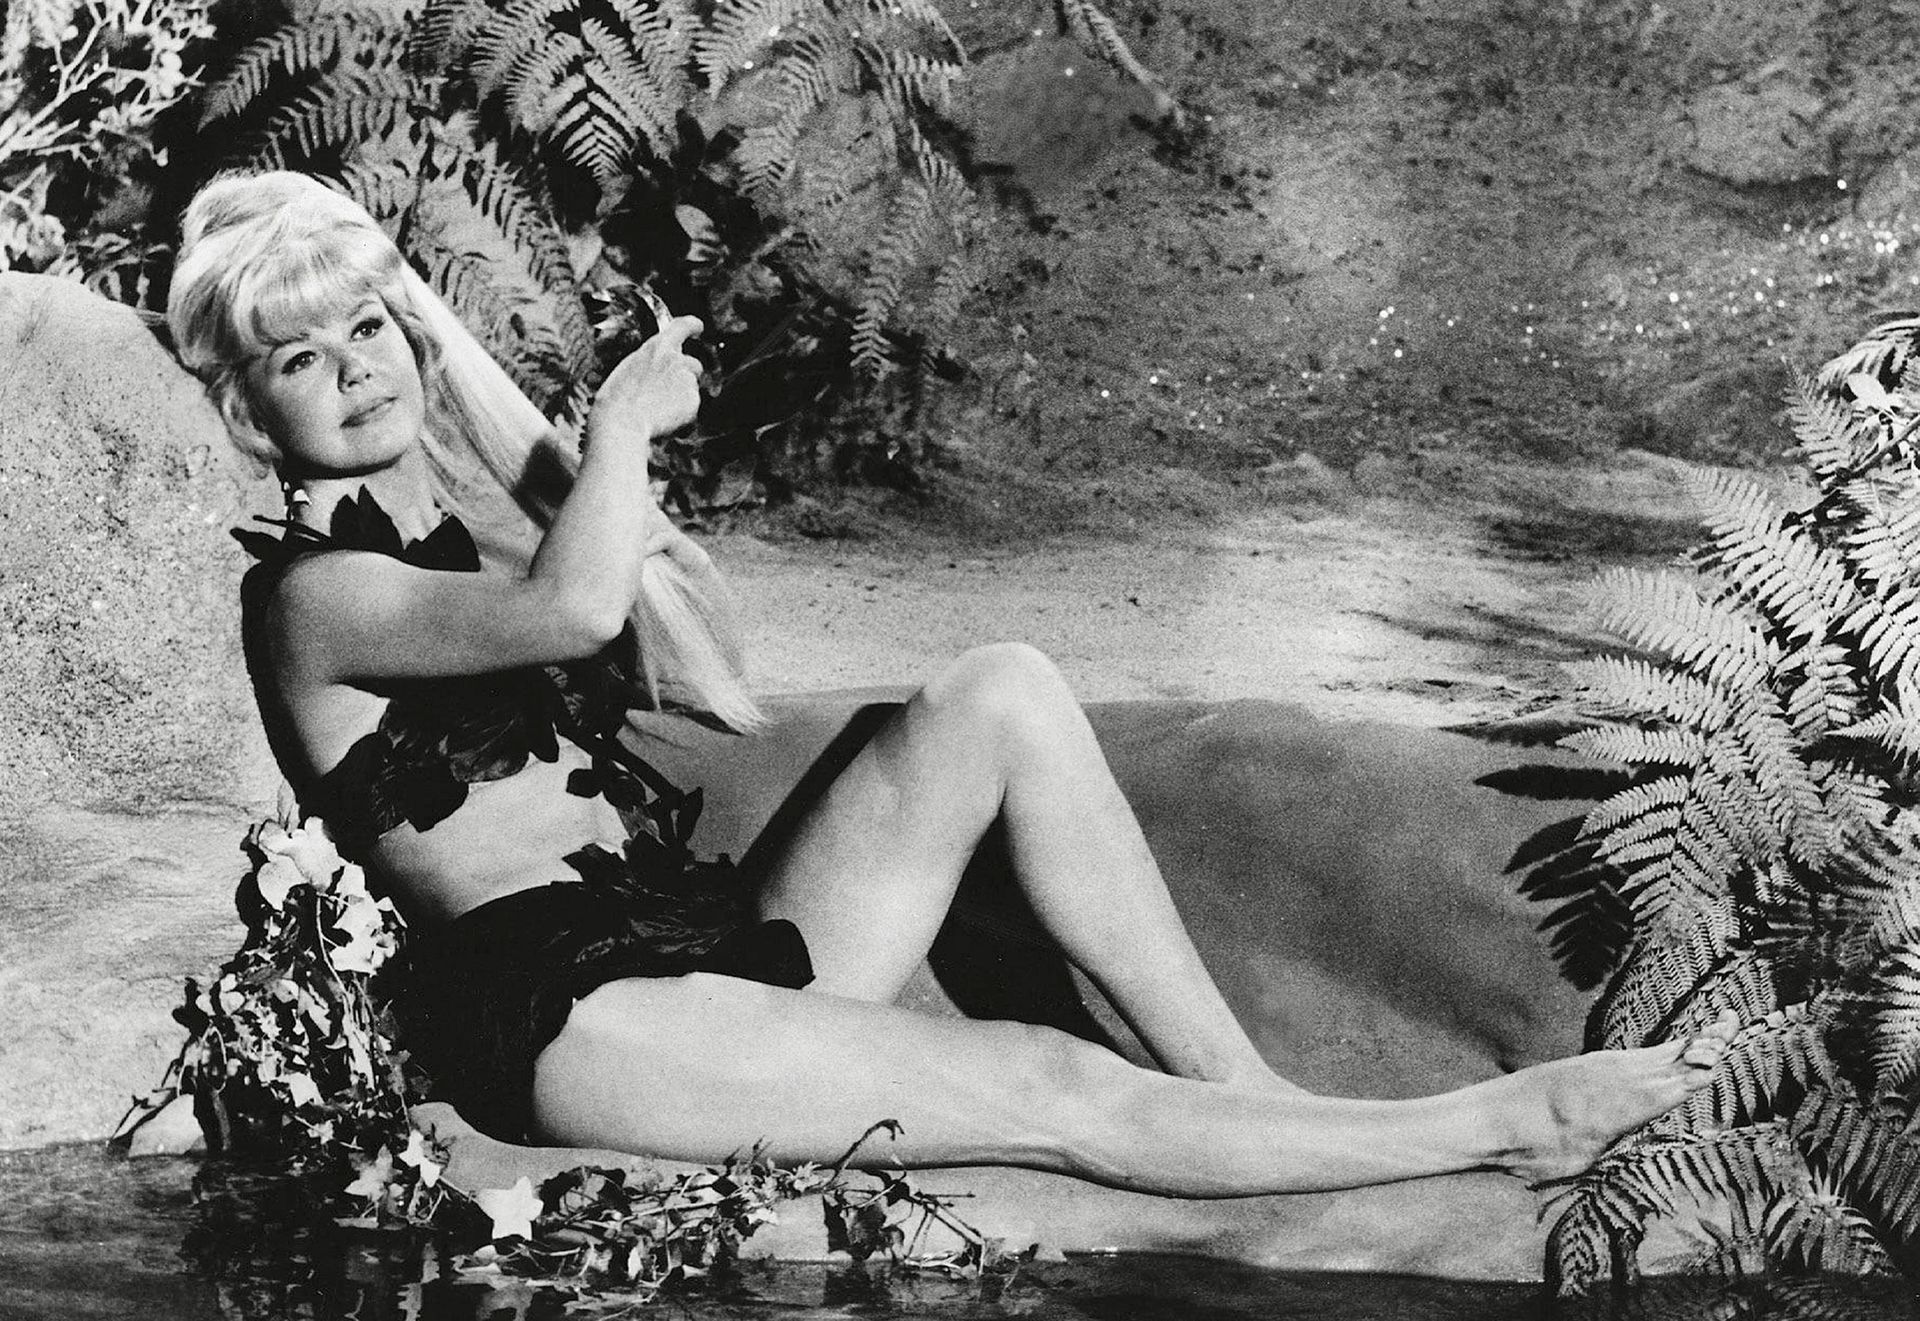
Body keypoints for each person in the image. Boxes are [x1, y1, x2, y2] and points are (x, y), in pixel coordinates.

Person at [167, 169, 1734, 1198]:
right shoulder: (315, 599)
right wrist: (623, 424)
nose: (358, 369)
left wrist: (545, 437)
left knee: (998, 689)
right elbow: (578, 602)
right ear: (247, 412)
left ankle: (1247, 1093)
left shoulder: (444, 542)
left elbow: (690, 660)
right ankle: (1500, 1128)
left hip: (687, 955)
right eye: (303, 358)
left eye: (371, 328)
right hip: (571, 1018)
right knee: (1045, 1080)